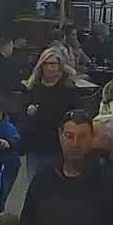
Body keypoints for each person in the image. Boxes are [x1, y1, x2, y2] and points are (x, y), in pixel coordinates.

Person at [21, 48, 93, 187]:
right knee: (34, 184)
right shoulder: (33, 87)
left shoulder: (68, 89)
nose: (50, 67)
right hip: (35, 143)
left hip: (58, 145)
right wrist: (28, 112)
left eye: (53, 64)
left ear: (60, 66)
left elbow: (77, 115)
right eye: (46, 64)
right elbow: (22, 113)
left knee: (54, 185)